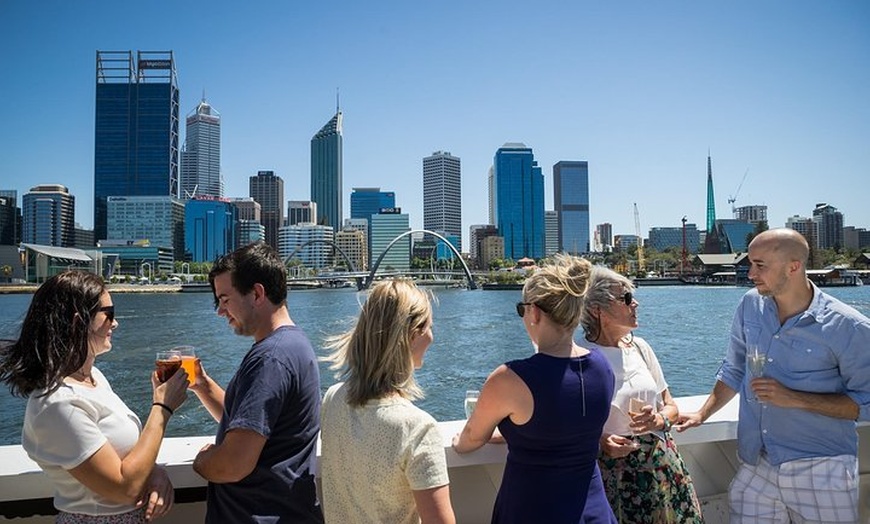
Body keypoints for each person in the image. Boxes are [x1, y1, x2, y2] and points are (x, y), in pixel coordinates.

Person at [675, 228, 870, 523]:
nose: (750, 273)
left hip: (821, 469)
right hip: (756, 464)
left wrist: (795, 399)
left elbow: (866, 402)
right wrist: (702, 414)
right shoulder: (750, 306)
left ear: (794, 266)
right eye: (750, 263)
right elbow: (733, 369)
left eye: (760, 265)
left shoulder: (848, 327)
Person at [0, 270, 189, 523]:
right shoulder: (58, 404)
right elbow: (124, 489)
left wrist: (154, 471)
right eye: (108, 314)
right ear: (79, 322)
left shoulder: (94, 378)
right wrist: (162, 407)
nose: (115, 323)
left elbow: (119, 451)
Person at [452, 254, 617, 524]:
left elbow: (471, 438)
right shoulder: (603, 367)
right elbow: (565, 426)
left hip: (532, 509)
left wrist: (458, 440)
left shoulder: (510, 378)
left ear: (535, 312)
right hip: (593, 510)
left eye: (522, 309)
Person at [190, 242, 324, 523]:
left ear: (257, 293)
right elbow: (249, 421)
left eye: (225, 299)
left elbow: (232, 465)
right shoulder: (293, 345)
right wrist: (202, 384)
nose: (220, 311)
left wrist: (203, 460)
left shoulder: (270, 358)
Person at [319, 279, 455, 524]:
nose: (432, 337)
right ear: (412, 335)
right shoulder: (418, 429)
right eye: (429, 327)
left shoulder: (333, 399)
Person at [581, 266, 703, 523]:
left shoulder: (640, 348)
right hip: (613, 473)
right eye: (625, 298)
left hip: (661, 465)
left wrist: (659, 420)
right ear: (596, 309)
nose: (634, 303)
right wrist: (602, 440)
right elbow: (567, 421)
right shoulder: (580, 356)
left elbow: (670, 405)